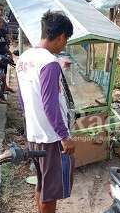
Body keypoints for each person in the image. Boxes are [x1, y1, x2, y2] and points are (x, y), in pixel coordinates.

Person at [16, 11, 75, 213]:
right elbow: (50, 104)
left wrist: (30, 127)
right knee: (51, 192)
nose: (64, 46)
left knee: (41, 184)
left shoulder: (24, 58)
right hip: (51, 138)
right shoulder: (49, 62)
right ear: (61, 36)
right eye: (66, 41)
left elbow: (23, 99)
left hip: (34, 132)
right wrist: (64, 136)